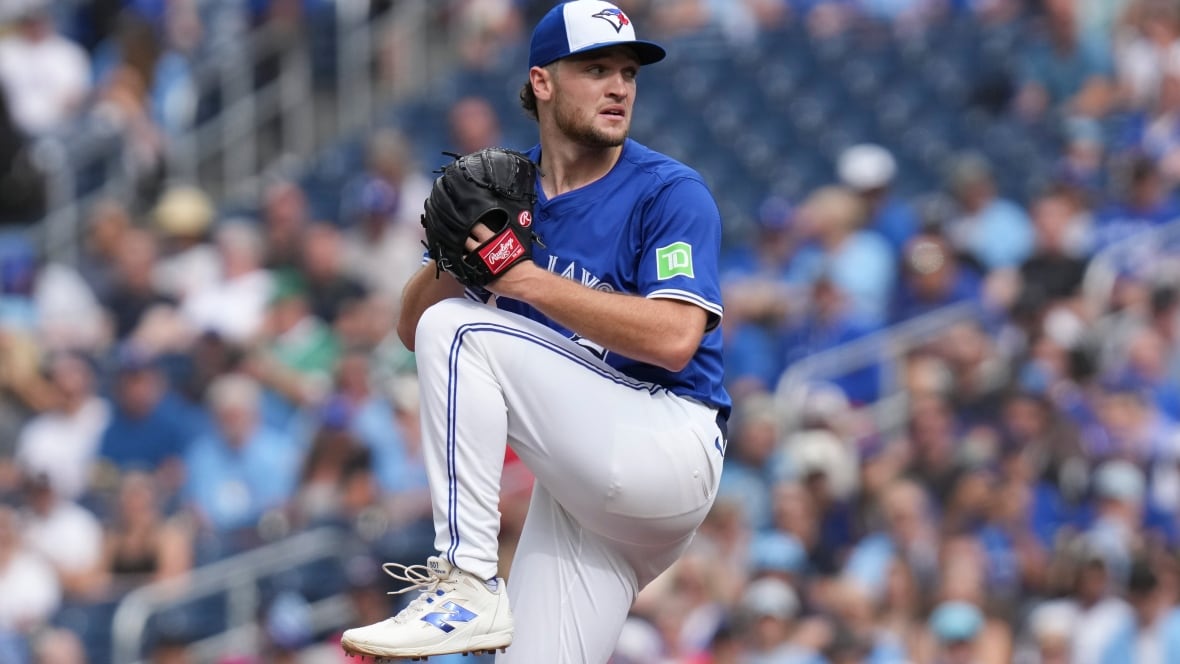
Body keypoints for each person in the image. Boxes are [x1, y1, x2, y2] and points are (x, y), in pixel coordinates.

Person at [340, 2, 730, 661]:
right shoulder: (506, 190)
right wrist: (454, 253)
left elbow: (673, 339)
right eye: (597, 68)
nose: (619, 87)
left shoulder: (668, 191)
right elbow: (411, 329)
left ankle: (465, 578)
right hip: (584, 492)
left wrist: (519, 278)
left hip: (666, 444)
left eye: (629, 73)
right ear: (542, 81)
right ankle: (472, 594)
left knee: (462, 331)